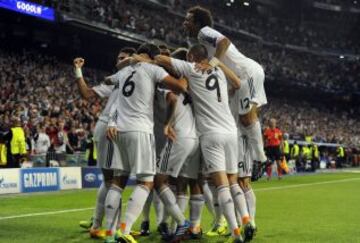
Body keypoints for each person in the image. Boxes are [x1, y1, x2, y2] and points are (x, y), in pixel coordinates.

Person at [183, 7, 267, 240]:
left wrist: (214, 62)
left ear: (197, 21)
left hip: (246, 73)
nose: (184, 23)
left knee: (247, 118)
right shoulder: (207, 54)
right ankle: (243, 224)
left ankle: (261, 158)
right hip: (240, 82)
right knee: (243, 121)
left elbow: (225, 41)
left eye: (187, 19)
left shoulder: (204, 33)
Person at [154, 44, 243, 243]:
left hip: (209, 134)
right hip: (231, 131)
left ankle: (234, 231)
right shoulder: (218, 69)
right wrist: (214, 63)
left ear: (192, 56)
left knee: (219, 186)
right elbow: (237, 83)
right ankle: (238, 222)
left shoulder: (190, 69)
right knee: (216, 182)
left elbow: (162, 61)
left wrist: (144, 59)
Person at [106, 43, 188, 243]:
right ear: (153, 56)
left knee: (118, 181)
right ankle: (124, 231)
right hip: (140, 130)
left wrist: (130, 61)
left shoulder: (125, 70)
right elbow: (180, 88)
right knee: (146, 181)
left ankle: (109, 234)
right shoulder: (153, 69)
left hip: (119, 130)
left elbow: (107, 79)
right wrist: (186, 72)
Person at [74, 47, 136, 239]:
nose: (119, 60)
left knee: (115, 180)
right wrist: (78, 70)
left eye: (124, 58)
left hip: (122, 129)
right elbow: (87, 94)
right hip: (110, 128)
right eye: (118, 57)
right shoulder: (116, 79)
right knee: (112, 181)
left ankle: (107, 224)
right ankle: (101, 227)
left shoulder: (134, 78)